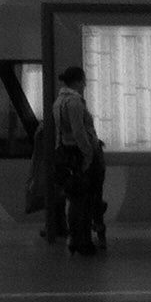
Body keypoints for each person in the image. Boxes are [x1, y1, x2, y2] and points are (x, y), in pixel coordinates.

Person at [50, 64, 105, 254]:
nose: (85, 85)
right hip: (79, 155)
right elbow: (79, 132)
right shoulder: (74, 102)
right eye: (83, 81)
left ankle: (75, 238)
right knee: (84, 199)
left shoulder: (58, 102)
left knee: (74, 198)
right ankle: (83, 241)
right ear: (78, 81)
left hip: (67, 154)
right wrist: (89, 153)